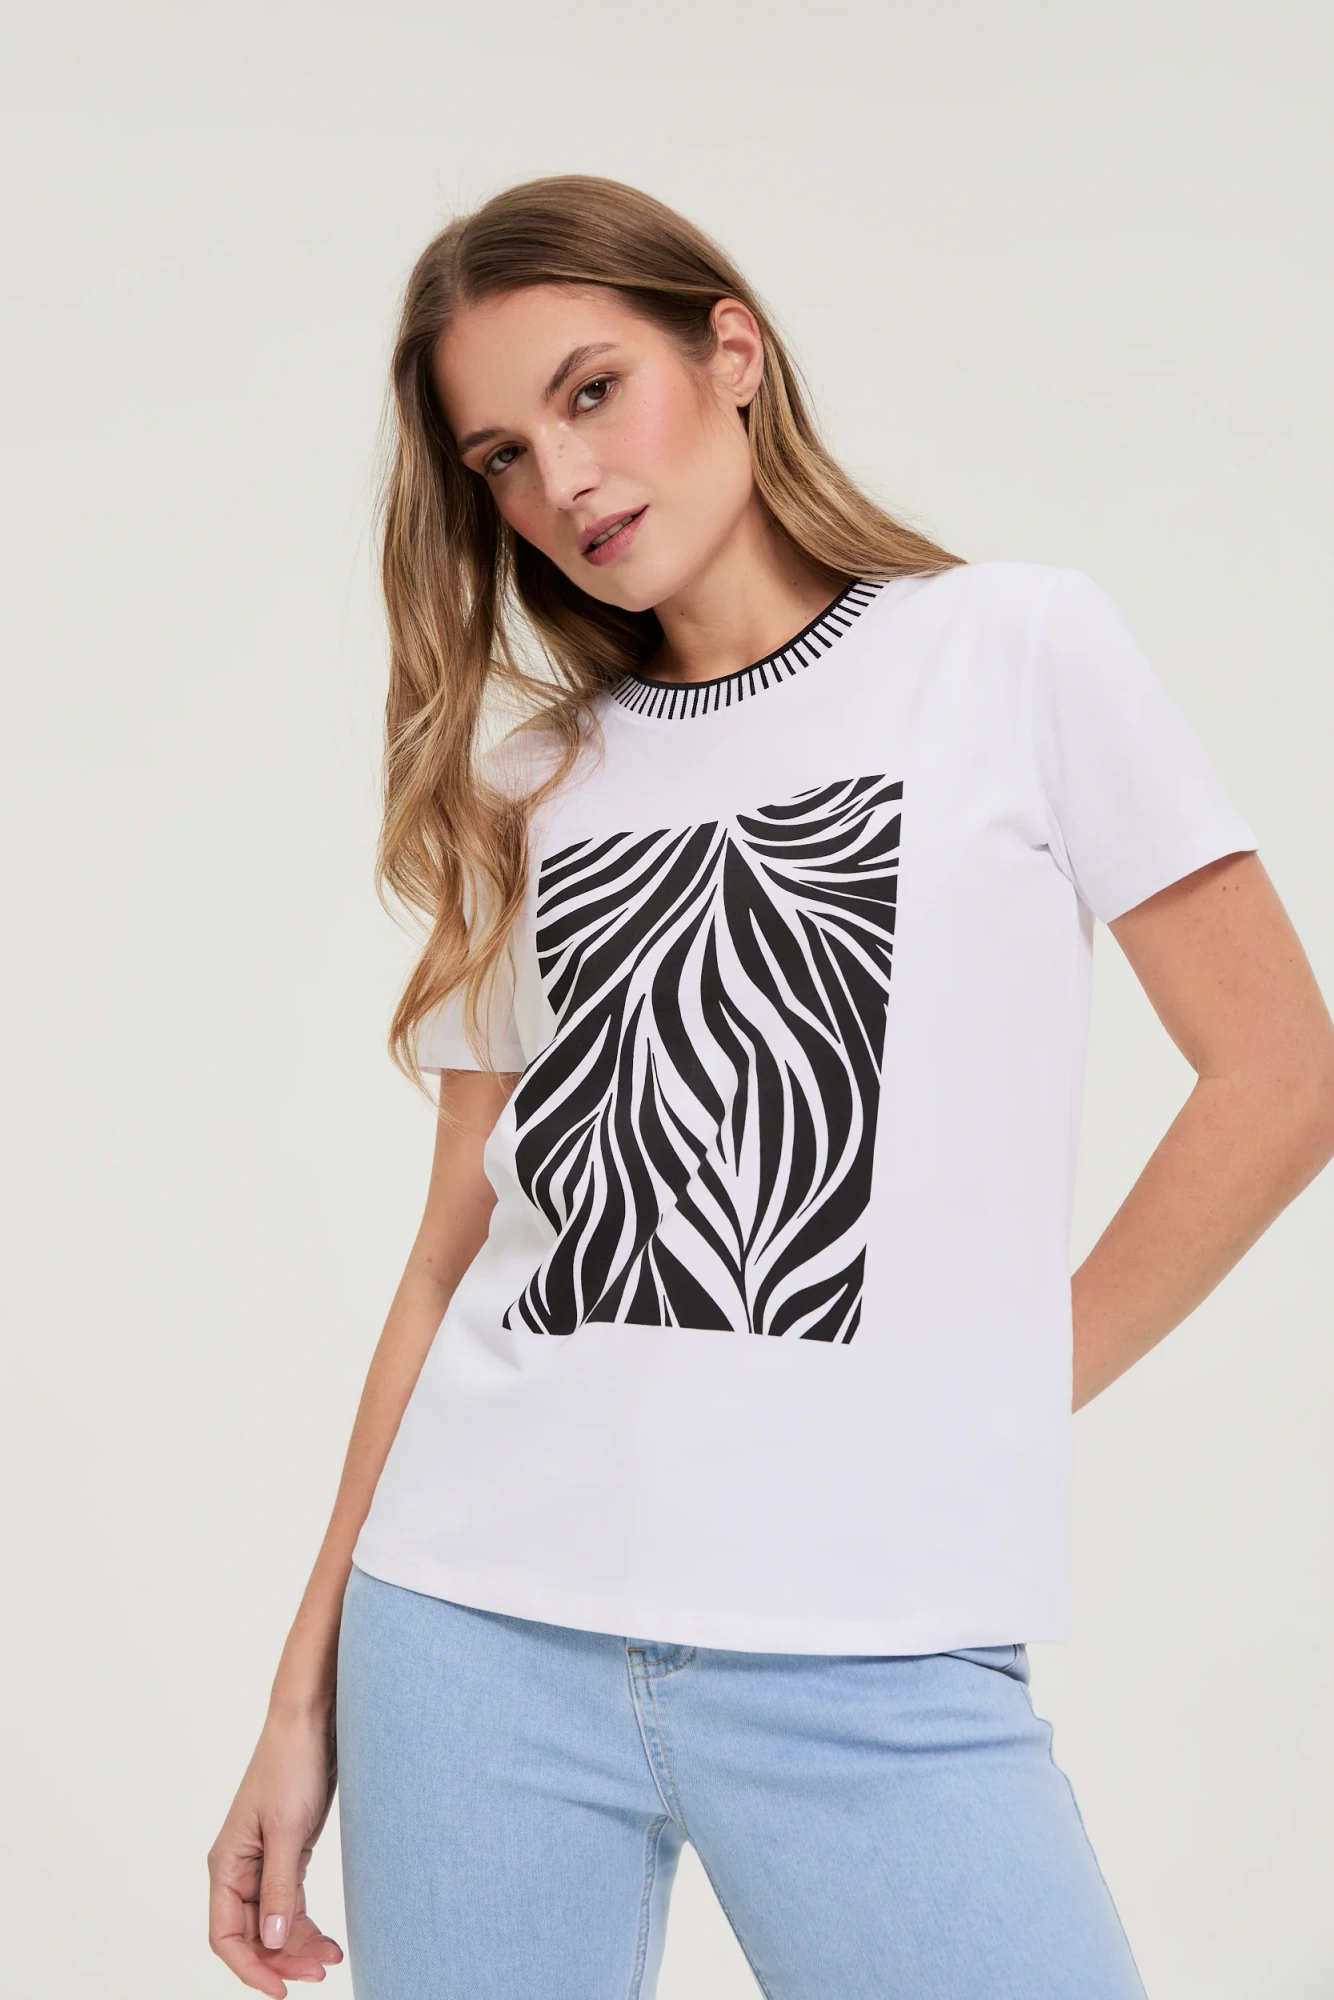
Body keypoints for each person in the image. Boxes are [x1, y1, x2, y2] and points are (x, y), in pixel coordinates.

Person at [207, 175, 1334, 2000]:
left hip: (871, 1639)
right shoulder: (532, 777)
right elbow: (448, 1258)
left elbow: (1280, 1071)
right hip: (471, 1638)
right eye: (502, 457)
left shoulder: (1010, 650)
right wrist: (299, 1699)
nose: (563, 483)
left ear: (729, 351)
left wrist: (1008, 1381)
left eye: (592, 392)